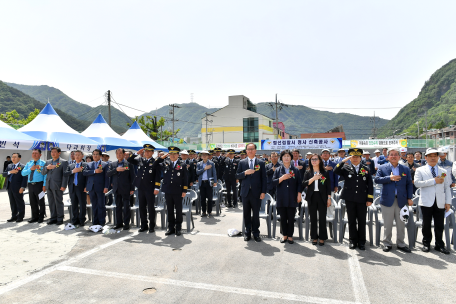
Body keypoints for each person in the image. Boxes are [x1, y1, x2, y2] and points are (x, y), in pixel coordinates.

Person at [374, 147, 413, 253]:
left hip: (402, 200)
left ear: (399, 156)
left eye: (396, 154)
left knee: (401, 223)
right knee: (388, 223)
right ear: (388, 157)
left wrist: (409, 198)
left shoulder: (405, 169)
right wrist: (389, 178)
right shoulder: (382, 168)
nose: (394, 156)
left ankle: (401, 243)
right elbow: (377, 180)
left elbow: (409, 184)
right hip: (387, 200)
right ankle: (387, 243)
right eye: (391, 154)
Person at [334, 148, 374, 250]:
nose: (355, 159)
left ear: (361, 158)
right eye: (353, 157)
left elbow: (370, 185)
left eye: (357, 157)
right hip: (350, 198)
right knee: (351, 220)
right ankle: (353, 240)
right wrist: (343, 161)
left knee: (361, 221)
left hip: (362, 198)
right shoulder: (346, 168)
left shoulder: (366, 169)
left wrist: (369, 199)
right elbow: (336, 170)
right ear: (350, 158)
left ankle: (361, 242)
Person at [415, 148, 452, 254]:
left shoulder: (443, 171)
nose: (433, 158)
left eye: (435, 156)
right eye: (430, 156)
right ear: (425, 158)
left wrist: (448, 202)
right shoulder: (420, 170)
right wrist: (433, 181)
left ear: (438, 157)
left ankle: (439, 244)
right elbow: (417, 183)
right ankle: (426, 243)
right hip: (426, 201)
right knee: (426, 224)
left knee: (439, 224)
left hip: (440, 201)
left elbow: (446, 188)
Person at [236, 143, 267, 242]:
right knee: (246, 213)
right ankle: (247, 232)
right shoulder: (242, 162)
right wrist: (245, 173)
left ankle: (256, 232)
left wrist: (263, 192)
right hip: (245, 192)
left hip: (257, 192)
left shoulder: (261, 163)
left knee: (256, 214)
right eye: (248, 149)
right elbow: (237, 176)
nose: (250, 151)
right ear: (246, 151)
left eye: (252, 149)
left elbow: (264, 179)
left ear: (255, 150)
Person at [128, 144, 161, 233]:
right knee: (142, 207)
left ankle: (151, 226)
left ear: (153, 152)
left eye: (149, 151)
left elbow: (157, 176)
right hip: (141, 187)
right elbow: (129, 160)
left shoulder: (155, 161)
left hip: (150, 188)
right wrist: (136, 153)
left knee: (150, 208)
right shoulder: (140, 160)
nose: (147, 153)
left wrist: (157, 187)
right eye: (145, 151)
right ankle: (144, 225)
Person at [156, 146, 188, 236]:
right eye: (171, 154)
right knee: (169, 210)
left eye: (175, 154)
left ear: (178, 155)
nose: (173, 156)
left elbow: (185, 178)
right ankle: (171, 228)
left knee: (178, 210)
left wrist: (184, 190)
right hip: (168, 190)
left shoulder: (182, 164)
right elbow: (155, 165)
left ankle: (178, 228)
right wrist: (161, 158)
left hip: (178, 191)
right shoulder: (165, 163)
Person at [272, 149, 302, 244]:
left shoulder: (295, 170)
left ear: (291, 158)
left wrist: (299, 195)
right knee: (283, 218)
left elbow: (299, 184)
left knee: (291, 217)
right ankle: (284, 235)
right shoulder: (278, 170)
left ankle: (290, 236)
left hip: (292, 197)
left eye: (288, 156)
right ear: (281, 158)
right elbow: (273, 182)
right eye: (284, 156)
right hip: (281, 197)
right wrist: (281, 178)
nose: (286, 158)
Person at [303, 153, 332, 245]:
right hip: (312, 196)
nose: (314, 161)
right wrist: (313, 178)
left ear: (320, 161)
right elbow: (304, 183)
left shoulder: (325, 172)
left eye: (316, 159)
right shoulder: (308, 172)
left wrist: (329, 198)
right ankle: (314, 237)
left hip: (322, 196)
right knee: (313, 218)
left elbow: (328, 186)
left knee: (322, 218)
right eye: (312, 159)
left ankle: (322, 237)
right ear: (310, 161)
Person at [107, 148, 136, 231]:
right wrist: (116, 170)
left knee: (126, 206)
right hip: (116, 188)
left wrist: (132, 188)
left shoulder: (128, 163)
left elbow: (132, 177)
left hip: (126, 188)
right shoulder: (113, 164)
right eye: (117, 153)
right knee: (118, 206)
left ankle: (126, 223)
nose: (119, 155)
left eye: (120, 153)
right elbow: (108, 174)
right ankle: (119, 223)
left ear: (124, 154)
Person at [41, 147, 69, 225]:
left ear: (59, 153)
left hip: (58, 185)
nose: (53, 153)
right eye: (52, 152)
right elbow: (43, 173)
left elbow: (65, 175)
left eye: (54, 152)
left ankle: (60, 218)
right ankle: (53, 217)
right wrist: (47, 168)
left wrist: (64, 185)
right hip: (49, 184)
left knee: (58, 202)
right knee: (51, 202)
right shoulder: (48, 162)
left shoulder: (63, 162)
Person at [83, 149, 109, 227]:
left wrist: (106, 187)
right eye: (94, 154)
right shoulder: (89, 164)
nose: (95, 156)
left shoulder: (105, 164)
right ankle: (95, 221)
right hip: (91, 187)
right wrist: (94, 171)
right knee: (94, 205)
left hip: (100, 187)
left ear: (100, 156)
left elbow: (107, 177)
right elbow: (85, 173)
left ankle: (101, 221)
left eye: (97, 154)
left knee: (101, 205)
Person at [21, 149, 47, 223]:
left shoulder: (43, 163)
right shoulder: (29, 163)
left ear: (40, 155)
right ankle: (34, 217)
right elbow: (23, 173)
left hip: (39, 184)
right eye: (33, 153)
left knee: (41, 201)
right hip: (30, 185)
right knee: (32, 201)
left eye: (36, 153)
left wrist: (44, 185)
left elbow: (45, 175)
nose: (34, 154)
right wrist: (31, 169)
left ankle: (41, 217)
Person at [63, 150, 88, 226]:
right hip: (72, 187)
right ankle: (75, 219)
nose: (77, 156)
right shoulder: (71, 166)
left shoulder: (85, 165)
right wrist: (72, 171)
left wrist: (86, 186)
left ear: (82, 156)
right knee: (74, 204)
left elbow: (87, 177)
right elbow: (65, 174)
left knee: (82, 204)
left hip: (81, 187)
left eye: (78, 155)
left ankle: (82, 219)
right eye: (75, 155)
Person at [3, 153, 27, 222]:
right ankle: (14, 216)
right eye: (12, 157)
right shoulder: (9, 166)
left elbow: (24, 177)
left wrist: (22, 187)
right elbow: (4, 174)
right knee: (12, 202)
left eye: (15, 157)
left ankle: (20, 216)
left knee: (19, 202)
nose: (13, 158)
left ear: (19, 158)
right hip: (10, 186)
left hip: (18, 187)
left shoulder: (23, 166)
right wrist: (10, 172)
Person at [196, 150, 217, 216]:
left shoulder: (211, 163)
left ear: (208, 156)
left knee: (210, 198)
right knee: (202, 198)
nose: (204, 156)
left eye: (205, 155)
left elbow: (214, 173)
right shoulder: (199, 164)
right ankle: (204, 212)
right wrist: (204, 169)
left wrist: (215, 181)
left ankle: (209, 211)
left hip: (209, 183)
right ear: (201, 156)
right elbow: (197, 172)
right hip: (202, 183)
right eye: (203, 155)